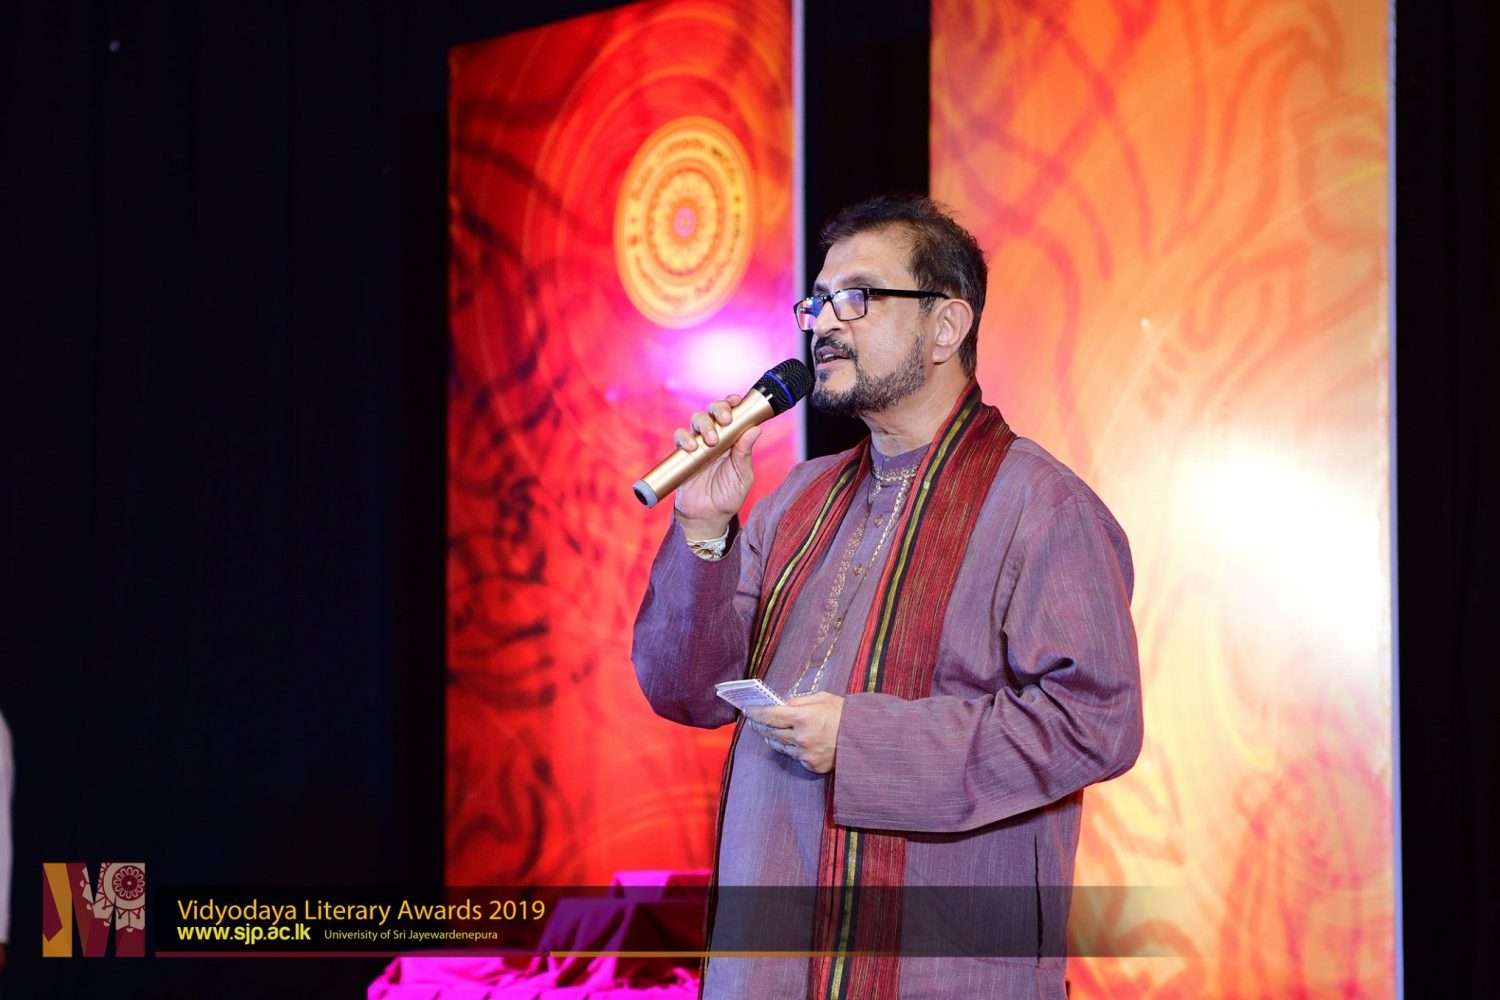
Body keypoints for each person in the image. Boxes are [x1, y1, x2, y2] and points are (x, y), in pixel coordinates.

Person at [632, 194, 1142, 999]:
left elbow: (1094, 725)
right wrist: (705, 527)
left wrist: (861, 739)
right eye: (817, 302)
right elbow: (687, 692)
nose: (824, 325)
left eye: (857, 298)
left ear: (946, 327)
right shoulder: (798, 499)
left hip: (938, 970)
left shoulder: (1042, 507)